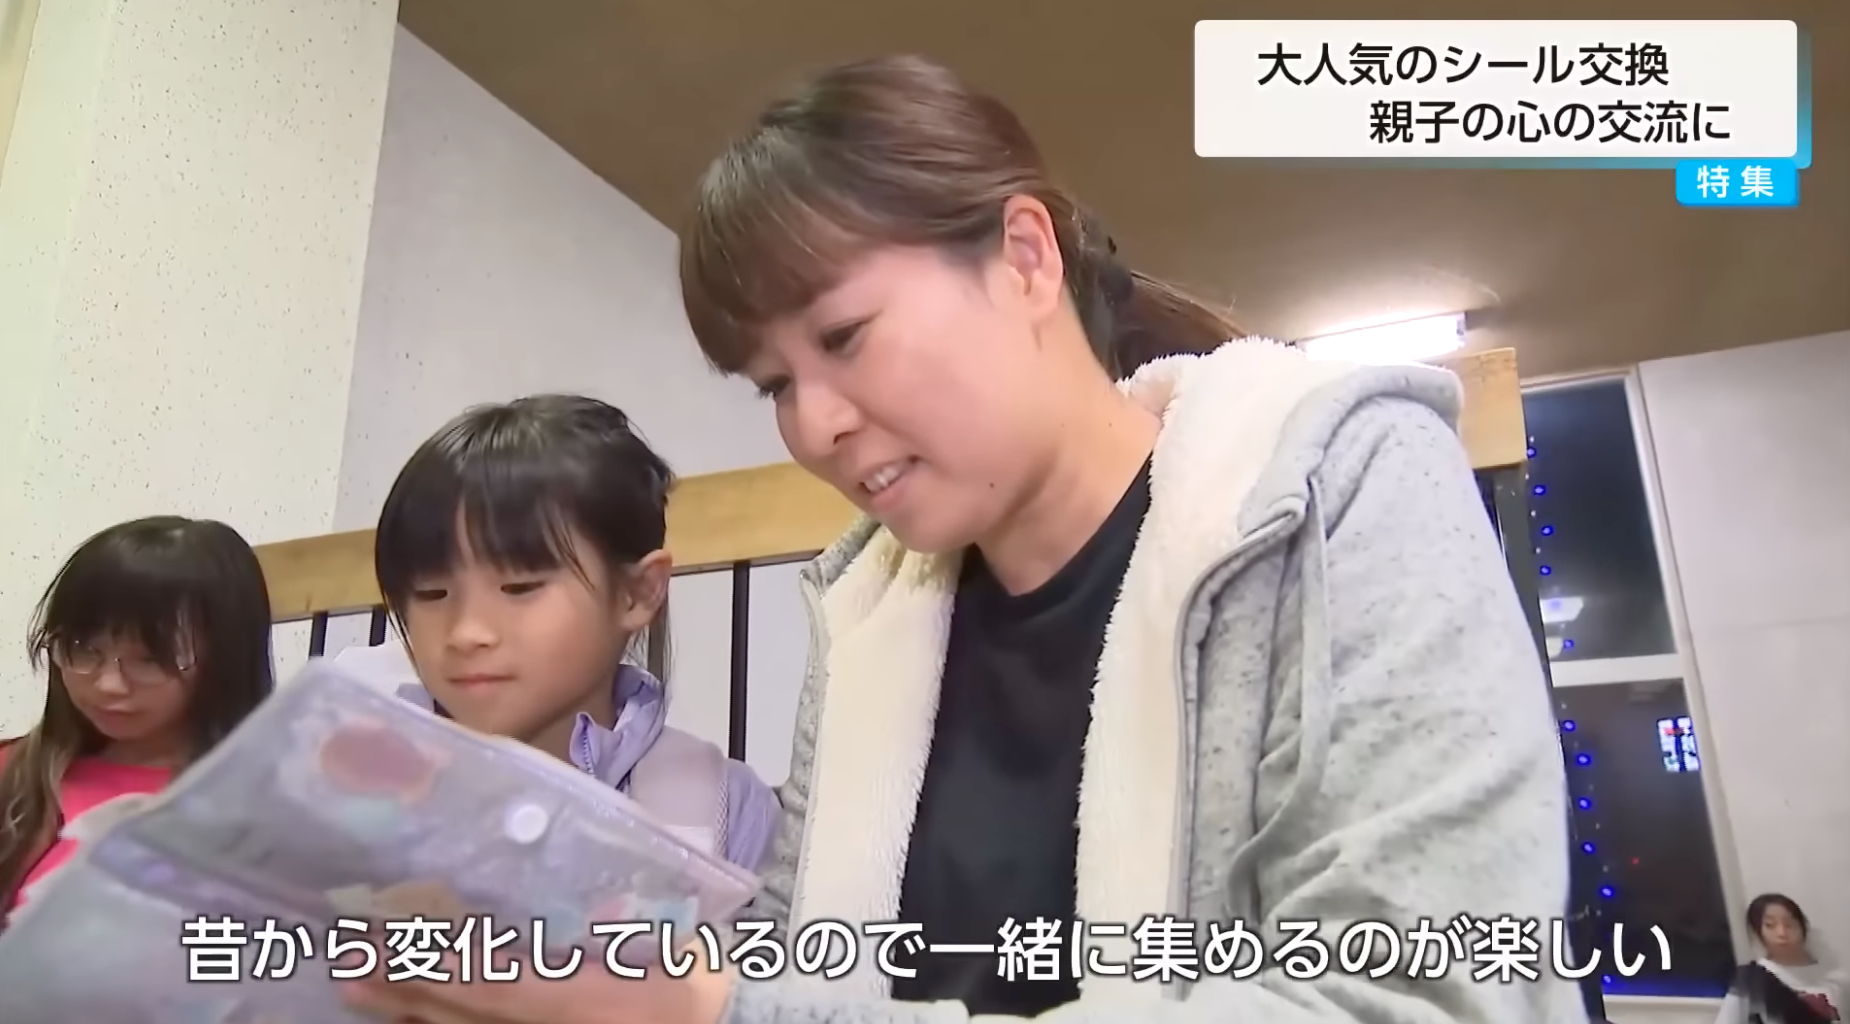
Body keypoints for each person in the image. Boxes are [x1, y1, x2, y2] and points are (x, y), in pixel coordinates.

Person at [345, 55, 1584, 1024]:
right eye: (772, 384)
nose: (814, 426)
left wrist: (705, 1007)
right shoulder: (870, 616)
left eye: (843, 338)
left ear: (1025, 257)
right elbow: (793, 969)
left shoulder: (1335, 483)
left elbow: (1429, 995)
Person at [361, 393, 777, 872]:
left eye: (519, 587)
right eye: (431, 593)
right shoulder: (357, 780)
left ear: (637, 593)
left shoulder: (723, 811)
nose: (466, 633)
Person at [0, 516, 274, 915]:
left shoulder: (266, 805)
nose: (109, 684)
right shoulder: (14, 774)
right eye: (83, 649)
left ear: (225, 659)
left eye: (150, 659)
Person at [1715, 894, 1844, 1024]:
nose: (1782, 933)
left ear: (1802, 926)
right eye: (1770, 925)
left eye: (1789, 924)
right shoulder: (1751, 979)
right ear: (1758, 931)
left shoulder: (1836, 978)